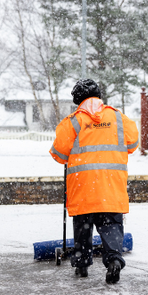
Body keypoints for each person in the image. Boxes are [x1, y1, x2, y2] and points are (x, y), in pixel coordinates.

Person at [50, 78, 139, 284]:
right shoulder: (118, 118)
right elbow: (133, 144)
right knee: (111, 225)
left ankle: (82, 264)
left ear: (77, 100)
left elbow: (58, 154)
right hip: (111, 187)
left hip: (83, 187)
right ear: (99, 95)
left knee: (83, 225)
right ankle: (114, 259)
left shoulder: (73, 121)